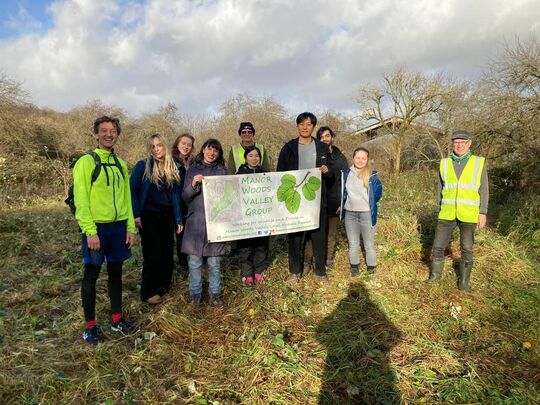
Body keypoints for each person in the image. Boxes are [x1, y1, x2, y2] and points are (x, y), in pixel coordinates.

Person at [73, 115, 137, 345]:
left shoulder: (120, 163)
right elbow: (81, 200)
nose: (109, 134)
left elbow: (127, 198)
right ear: (96, 134)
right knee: (91, 274)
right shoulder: (85, 162)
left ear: (117, 134)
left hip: (119, 227)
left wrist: (131, 228)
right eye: (104, 130)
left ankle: (117, 318)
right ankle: (90, 326)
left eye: (113, 130)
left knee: (116, 273)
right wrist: (90, 231)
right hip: (96, 228)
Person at [426, 130, 488, 291]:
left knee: (466, 248)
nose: (459, 145)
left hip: (468, 213)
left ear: (469, 143)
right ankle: (434, 277)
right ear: (453, 144)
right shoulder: (444, 163)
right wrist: (439, 207)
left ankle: (464, 282)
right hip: (447, 213)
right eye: (456, 142)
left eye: (463, 142)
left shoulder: (479, 162)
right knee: (438, 246)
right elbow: (440, 187)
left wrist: (483, 212)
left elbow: (484, 189)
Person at [276, 112, 332, 282]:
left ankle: (320, 272)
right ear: (297, 126)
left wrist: (327, 171)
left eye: (308, 124)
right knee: (294, 238)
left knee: (319, 237)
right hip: (295, 201)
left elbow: (331, 175)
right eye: (301, 124)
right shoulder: (288, 148)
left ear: (313, 126)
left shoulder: (322, 148)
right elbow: (280, 175)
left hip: (316, 201)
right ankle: (295, 272)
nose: (305, 127)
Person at [130, 133, 184, 305]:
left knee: (167, 255)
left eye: (159, 145)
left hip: (166, 216)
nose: (156, 149)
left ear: (165, 146)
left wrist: (178, 218)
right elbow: (131, 191)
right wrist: (136, 214)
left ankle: (163, 289)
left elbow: (175, 196)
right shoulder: (142, 166)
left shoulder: (172, 167)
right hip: (148, 217)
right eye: (152, 146)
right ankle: (148, 291)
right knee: (152, 254)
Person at [182, 138, 228, 305]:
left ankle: (215, 295)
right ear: (203, 150)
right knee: (194, 263)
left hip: (216, 224)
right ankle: (195, 296)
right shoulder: (193, 169)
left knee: (215, 263)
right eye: (209, 149)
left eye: (215, 150)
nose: (212, 153)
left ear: (219, 154)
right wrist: (194, 183)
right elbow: (185, 196)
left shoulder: (223, 172)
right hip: (195, 223)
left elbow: (229, 198)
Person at [304, 126, 349, 271]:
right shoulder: (313, 155)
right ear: (318, 139)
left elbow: (345, 181)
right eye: (321, 136)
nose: (325, 139)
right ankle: (307, 262)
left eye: (327, 136)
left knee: (330, 235)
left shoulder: (340, 158)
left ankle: (327, 261)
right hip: (315, 202)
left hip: (334, 202)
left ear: (332, 137)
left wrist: (342, 202)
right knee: (312, 234)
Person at [339, 147, 383, 276]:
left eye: (363, 158)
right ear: (353, 158)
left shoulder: (372, 175)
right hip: (350, 215)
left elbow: (378, 194)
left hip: (366, 215)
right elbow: (343, 192)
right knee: (353, 244)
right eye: (358, 157)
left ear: (367, 159)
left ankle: (371, 270)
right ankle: (354, 269)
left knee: (369, 244)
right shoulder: (346, 173)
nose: (360, 160)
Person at [236, 145, 269, 286]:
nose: (254, 158)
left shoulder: (266, 175)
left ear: (260, 159)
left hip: (262, 216)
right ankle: (247, 273)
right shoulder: (238, 175)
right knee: (245, 246)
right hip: (245, 217)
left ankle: (259, 271)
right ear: (245, 158)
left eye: (256, 156)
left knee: (261, 245)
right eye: (251, 156)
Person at [172, 133, 195, 273]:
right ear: (177, 145)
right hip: (178, 204)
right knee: (180, 235)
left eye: (189, 145)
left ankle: (195, 261)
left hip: (192, 204)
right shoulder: (171, 162)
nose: (186, 147)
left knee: (193, 233)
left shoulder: (194, 163)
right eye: (183, 144)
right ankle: (183, 266)